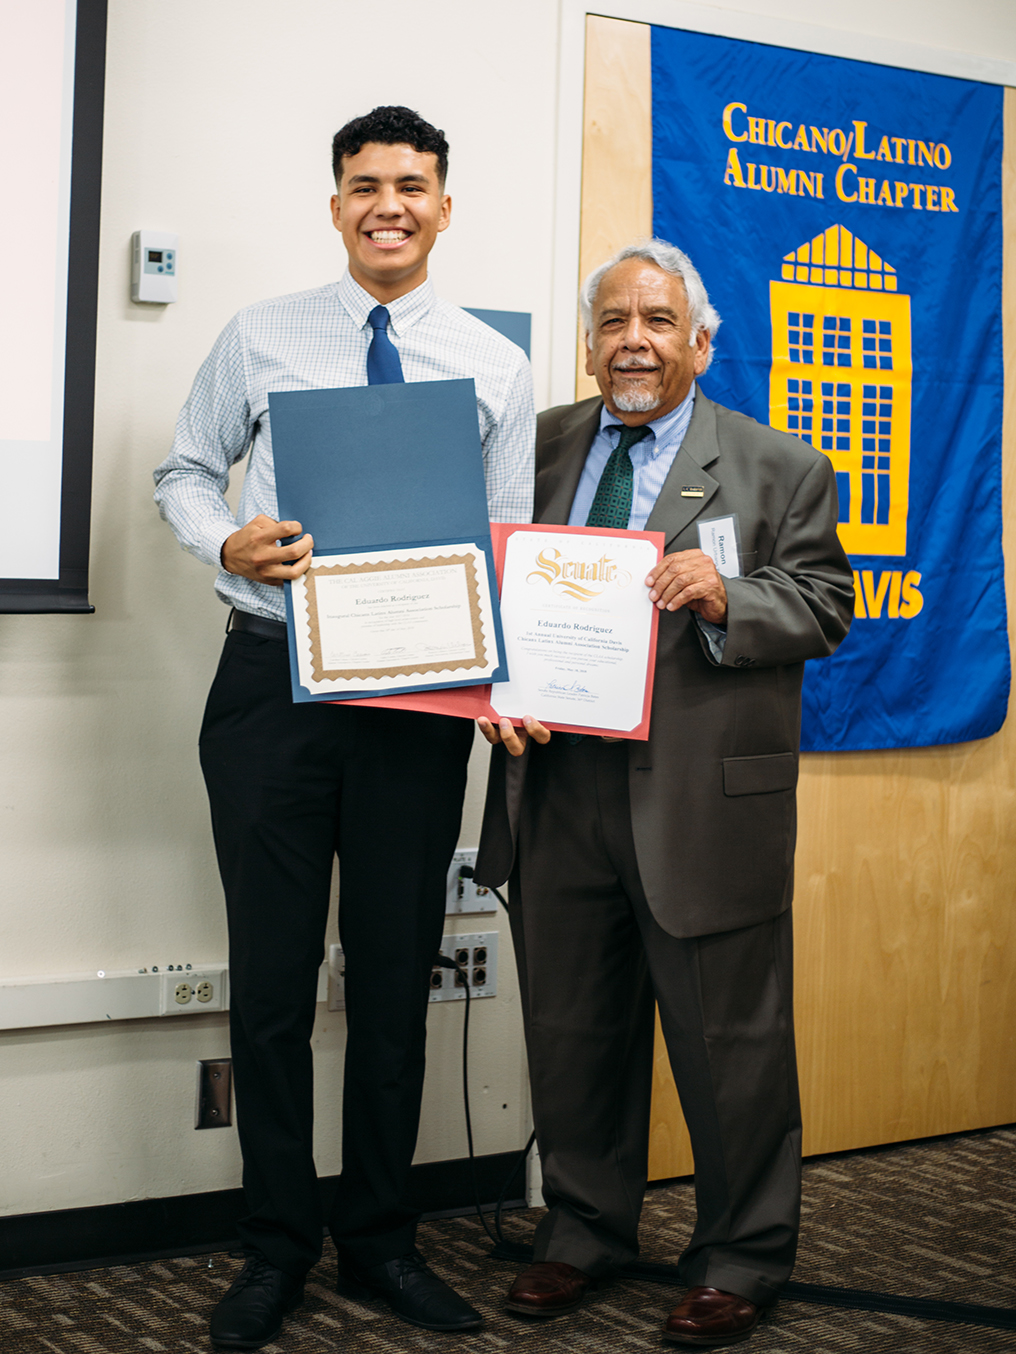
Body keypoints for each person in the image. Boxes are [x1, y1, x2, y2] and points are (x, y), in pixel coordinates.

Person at [153, 106, 534, 1351]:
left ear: (441, 204)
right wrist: (227, 540)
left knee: (392, 985)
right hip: (270, 689)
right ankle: (274, 1245)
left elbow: (506, 542)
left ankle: (379, 1240)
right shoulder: (260, 334)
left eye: (412, 184)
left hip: (416, 711)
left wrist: (509, 683)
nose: (389, 203)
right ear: (335, 204)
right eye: (366, 183)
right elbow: (182, 472)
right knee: (268, 987)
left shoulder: (495, 363)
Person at [474, 239, 853, 1347]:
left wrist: (730, 595)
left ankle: (743, 1253)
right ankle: (585, 1229)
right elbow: (482, 584)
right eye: (611, 320)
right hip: (556, 785)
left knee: (730, 1041)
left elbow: (827, 603)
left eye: (655, 319)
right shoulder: (531, 446)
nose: (631, 339)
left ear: (699, 340)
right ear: (589, 340)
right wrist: (486, 689)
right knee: (572, 1024)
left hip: (696, 800)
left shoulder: (776, 464)